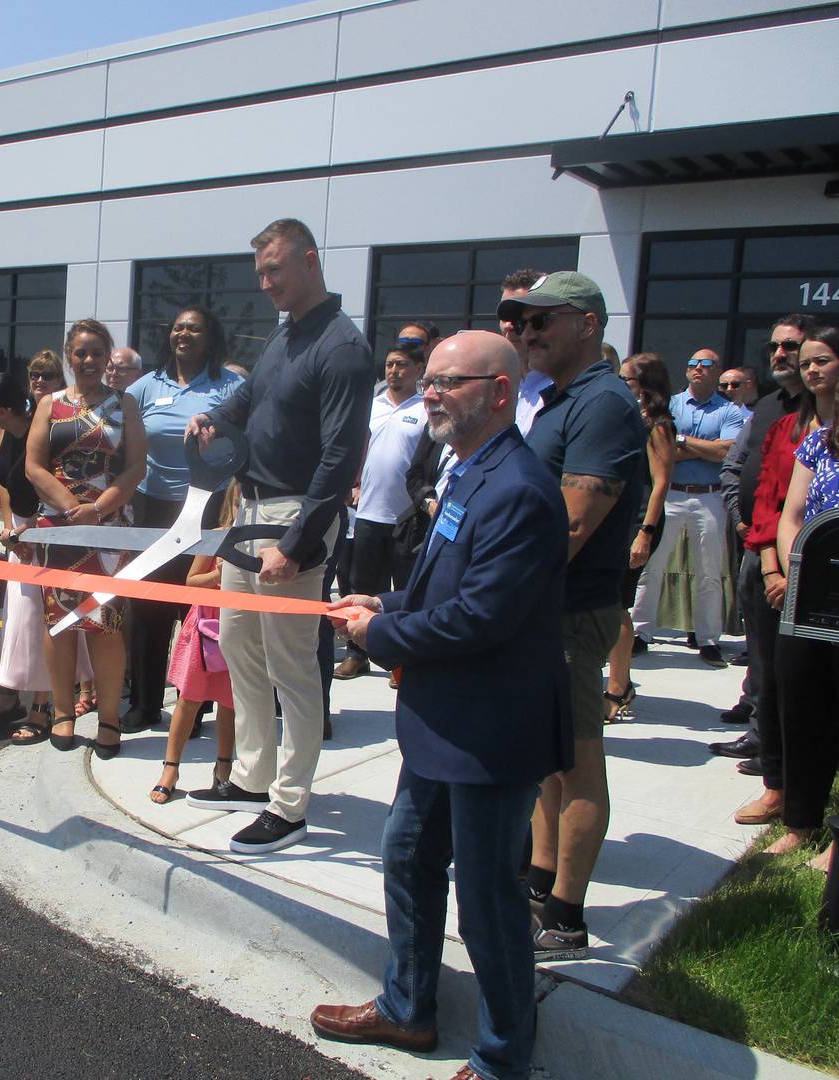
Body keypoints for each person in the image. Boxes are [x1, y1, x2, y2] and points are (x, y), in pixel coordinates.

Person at [311, 331, 570, 1080]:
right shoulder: (470, 469)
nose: (431, 393)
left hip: (493, 727)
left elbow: (481, 618)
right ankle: (408, 1009)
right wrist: (383, 599)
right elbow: (444, 586)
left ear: (498, 391)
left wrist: (380, 632)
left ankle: (501, 1061)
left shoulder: (518, 487)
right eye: (429, 380)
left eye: (450, 382)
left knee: (487, 899)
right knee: (406, 855)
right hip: (445, 718)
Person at [185, 218, 373, 855]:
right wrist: (215, 416)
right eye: (260, 272)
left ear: (311, 261)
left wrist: (296, 544)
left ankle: (289, 806)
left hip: (294, 516)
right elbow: (251, 399)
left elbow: (342, 456)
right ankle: (252, 776)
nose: (265, 283)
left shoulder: (342, 346)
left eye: (275, 269)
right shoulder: (286, 334)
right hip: (250, 508)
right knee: (241, 645)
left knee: (293, 667)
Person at [500, 271, 646, 961]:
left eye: (543, 321)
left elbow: (573, 523)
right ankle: (537, 883)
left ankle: (565, 915)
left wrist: (498, 584)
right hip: (541, 608)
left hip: (572, 609)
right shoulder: (561, 400)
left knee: (579, 763)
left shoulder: (605, 403)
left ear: (588, 324)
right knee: (546, 763)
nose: (528, 333)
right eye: (522, 323)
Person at [26, 318, 146, 758]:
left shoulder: (125, 404)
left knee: (105, 624)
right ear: (68, 356)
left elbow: (136, 467)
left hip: (110, 527)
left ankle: (109, 717)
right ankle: (63, 712)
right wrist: (67, 506)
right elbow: (34, 465)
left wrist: (97, 508)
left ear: (108, 356)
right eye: (81, 352)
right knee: (59, 622)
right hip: (58, 528)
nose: (89, 360)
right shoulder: (49, 404)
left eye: (97, 352)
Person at [123, 307, 244, 730]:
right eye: (178, 327)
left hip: (211, 508)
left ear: (210, 337)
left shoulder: (232, 386)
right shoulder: (144, 387)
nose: (184, 334)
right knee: (147, 606)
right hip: (154, 507)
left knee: (198, 610)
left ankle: (192, 707)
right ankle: (143, 703)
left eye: (194, 328)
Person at [751, 325, 838, 866]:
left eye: (822, 360)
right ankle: (801, 821)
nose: (810, 370)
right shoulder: (814, 436)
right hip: (811, 588)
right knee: (800, 705)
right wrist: (790, 568)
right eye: (805, 362)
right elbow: (791, 512)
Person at [715, 315, 812, 787]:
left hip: (803, 558)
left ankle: (789, 756)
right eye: (774, 347)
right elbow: (736, 468)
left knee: (793, 661)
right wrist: (741, 521)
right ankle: (762, 734)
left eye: (790, 346)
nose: (779, 355)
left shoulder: (819, 413)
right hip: (757, 546)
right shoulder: (767, 406)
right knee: (760, 650)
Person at [0, 370, 93, 742]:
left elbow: (55, 488)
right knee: (22, 624)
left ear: (4, 409)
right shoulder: (5, 435)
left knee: (47, 621)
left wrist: (35, 531)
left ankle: (45, 707)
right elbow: (6, 485)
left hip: (49, 535)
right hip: (21, 538)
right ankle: (15, 699)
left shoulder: (42, 438)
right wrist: (9, 531)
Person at [630, 348, 744, 666]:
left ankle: (708, 639)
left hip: (710, 496)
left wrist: (679, 442)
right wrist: (701, 447)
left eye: (705, 364)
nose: (697, 369)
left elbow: (727, 451)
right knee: (651, 566)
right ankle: (641, 632)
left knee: (709, 571)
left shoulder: (730, 410)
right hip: (670, 494)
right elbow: (659, 450)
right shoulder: (671, 405)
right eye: (692, 363)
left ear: (717, 371)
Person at [334, 346, 426, 680]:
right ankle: (357, 655)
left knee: (403, 590)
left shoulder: (426, 409)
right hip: (368, 513)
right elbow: (355, 449)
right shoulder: (370, 407)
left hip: (407, 517)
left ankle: (399, 660)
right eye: (389, 365)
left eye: (402, 365)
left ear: (418, 369)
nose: (394, 371)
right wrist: (352, 483)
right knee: (363, 587)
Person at [149, 485, 241, 805]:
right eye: (240, 501)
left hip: (240, 628)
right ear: (232, 502)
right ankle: (170, 770)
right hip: (206, 627)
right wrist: (218, 574)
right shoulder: (216, 536)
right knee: (189, 699)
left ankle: (223, 770)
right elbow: (190, 581)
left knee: (231, 703)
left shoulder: (261, 541)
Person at [604, 353, 675, 721]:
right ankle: (619, 680)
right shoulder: (631, 419)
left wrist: (644, 533)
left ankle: (618, 687)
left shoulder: (658, 425)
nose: (619, 384)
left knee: (617, 606)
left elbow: (661, 483)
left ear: (645, 385)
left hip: (639, 522)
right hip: (619, 520)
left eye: (626, 379)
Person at [496, 268, 553, 435]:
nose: (508, 325)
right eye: (504, 315)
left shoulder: (561, 390)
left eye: (518, 315)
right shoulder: (497, 388)